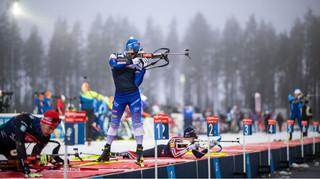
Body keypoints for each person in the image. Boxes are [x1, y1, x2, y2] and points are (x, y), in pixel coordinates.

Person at [97, 37, 149, 164]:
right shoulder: (114, 56)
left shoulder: (136, 62)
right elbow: (114, 65)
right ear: (130, 49)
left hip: (134, 96)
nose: (137, 53)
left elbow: (136, 83)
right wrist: (131, 61)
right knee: (114, 123)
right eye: (135, 51)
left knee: (137, 124)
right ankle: (106, 150)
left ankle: (139, 150)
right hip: (119, 96)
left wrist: (143, 69)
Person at [0, 110, 61, 177]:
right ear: (43, 122)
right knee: (22, 161)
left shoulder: (45, 137)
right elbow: (20, 143)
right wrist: (26, 170)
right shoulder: (25, 120)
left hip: (11, 148)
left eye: (54, 129)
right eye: (50, 128)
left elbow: (34, 157)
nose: (51, 132)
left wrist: (41, 160)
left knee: (18, 165)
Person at [111, 127, 218, 159]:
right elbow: (175, 155)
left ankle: (122, 155)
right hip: (159, 150)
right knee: (137, 154)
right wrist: (189, 148)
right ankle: (117, 154)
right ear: (188, 137)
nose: (194, 140)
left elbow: (198, 155)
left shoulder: (191, 143)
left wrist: (210, 146)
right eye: (193, 138)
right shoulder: (174, 140)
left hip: (168, 152)